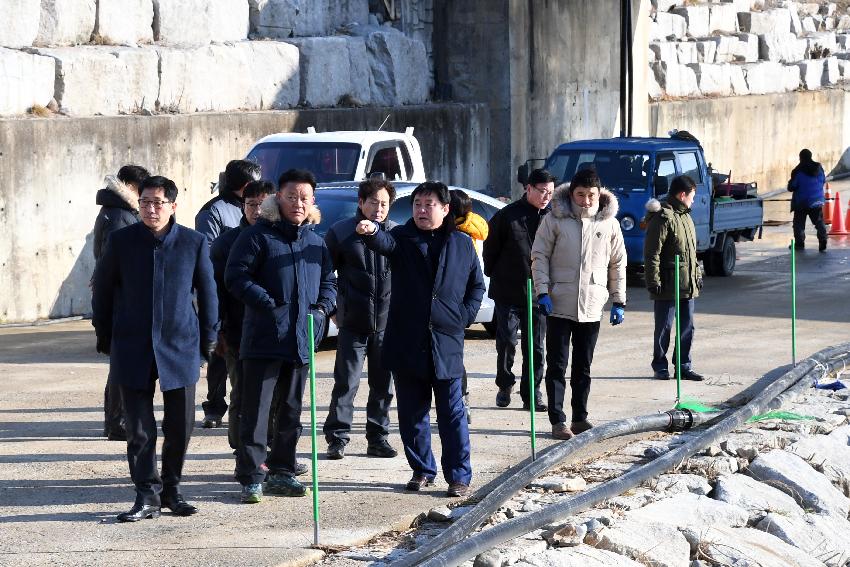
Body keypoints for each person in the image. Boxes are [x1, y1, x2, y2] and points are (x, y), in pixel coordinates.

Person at [91, 175, 218, 522]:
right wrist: (104, 333)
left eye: (158, 203)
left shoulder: (194, 242)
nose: (151, 209)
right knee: (139, 428)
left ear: (173, 206)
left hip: (180, 346)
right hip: (132, 345)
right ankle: (146, 494)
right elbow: (102, 291)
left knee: (180, 425)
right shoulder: (121, 242)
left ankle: (173, 491)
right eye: (145, 202)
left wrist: (209, 338)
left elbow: (208, 294)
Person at [356, 181, 485, 498]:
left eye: (429, 204)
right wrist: (371, 232)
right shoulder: (402, 238)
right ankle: (422, 470)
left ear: (445, 209)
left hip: (447, 343)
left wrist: (463, 317)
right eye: (417, 204)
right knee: (412, 415)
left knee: (453, 416)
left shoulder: (462, 244)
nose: (422, 210)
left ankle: (458, 477)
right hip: (407, 341)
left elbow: (476, 287)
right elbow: (383, 243)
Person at [225, 168, 336, 504]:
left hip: (301, 341)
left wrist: (320, 310)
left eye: (304, 197)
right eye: (291, 196)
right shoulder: (258, 236)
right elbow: (236, 276)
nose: (297, 203)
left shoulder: (316, 242)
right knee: (256, 412)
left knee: (291, 412)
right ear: (278, 198)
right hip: (263, 339)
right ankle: (251, 477)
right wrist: (268, 303)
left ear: (312, 201)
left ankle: (283, 471)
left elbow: (330, 282)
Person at [531, 168, 626, 440]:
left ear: (599, 194)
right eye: (580, 195)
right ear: (571, 194)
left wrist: (618, 300)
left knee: (583, 367)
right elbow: (539, 256)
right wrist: (542, 292)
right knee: (557, 366)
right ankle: (557, 420)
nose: (585, 200)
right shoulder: (554, 220)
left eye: (591, 195)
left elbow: (618, 263)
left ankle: (580, 417)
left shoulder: (609, 224)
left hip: (592, 305)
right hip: (558, 303)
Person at [323, 179, 398, 460]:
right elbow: (324, 273)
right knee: (346, 383)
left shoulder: (395, 234)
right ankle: (337, 438)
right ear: (360, 202)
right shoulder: (340, 233)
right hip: (352, 323)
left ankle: (378, 438)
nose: (378, 209)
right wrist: (332, 309)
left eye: (384, 204)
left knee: (383, 384)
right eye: (373, 202)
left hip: (387, 325)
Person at [210, 180, 275, 452]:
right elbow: (215, 290)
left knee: (273, 396)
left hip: (274, 330)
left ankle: (272, 447)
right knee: (241, 392)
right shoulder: (225, 243)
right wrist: (219, 329)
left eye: (263, 204)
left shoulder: (279, 238)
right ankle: (240, 448)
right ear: (242, 206)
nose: (257, 210)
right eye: (251, 204)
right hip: (237, 330)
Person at [196, 160, 261, 429]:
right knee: (220, 358)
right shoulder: (214, 211)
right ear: (243, 185)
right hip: (222, 292)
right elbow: (208, 253)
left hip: (248, 301)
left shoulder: (255, 208)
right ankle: (214, 407)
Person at [483, 168, 555, 411]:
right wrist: (498, 274)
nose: (546, 196)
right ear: (529, 188)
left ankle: (532, 391)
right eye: (542, 191)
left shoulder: (554, 217)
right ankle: (505, 384)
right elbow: (490, 250)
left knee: (535, 346)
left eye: (550, 192)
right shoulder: (507, 216)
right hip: (509, 291)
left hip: (539, 293)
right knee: (507, 341)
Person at [92, 164, 150, 441]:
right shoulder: (118, 215)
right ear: (128, 186)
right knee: (121, 363)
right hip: (121, 298)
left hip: (121, 296)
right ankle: (116, 422)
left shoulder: (117, 211)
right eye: (142, 190)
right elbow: (111, 264)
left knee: (122, 362)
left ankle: (118, 420)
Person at [644, 175, 704, 382]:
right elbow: (652, 253)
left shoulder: (686, 216)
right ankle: (660, 366)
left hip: (687, 283)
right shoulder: (663, 217)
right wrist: (654, 281)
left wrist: (697, 275)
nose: (693, 201)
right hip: (667, 283)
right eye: (692, 196)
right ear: (682, 194)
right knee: (664, 327)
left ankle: (683, 365)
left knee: (688, 326)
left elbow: (691, 252)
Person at [449, 189, 489, 423]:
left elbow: (468, 277)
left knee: (452, 359)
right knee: (454, 358)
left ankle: (461, 402)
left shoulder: (462, 237)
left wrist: (464, 312)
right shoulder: (475, 228)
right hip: (460, 306)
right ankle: (462, 402)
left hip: (456, 306)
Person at [788, 148, 828, 252]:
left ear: (800, 158)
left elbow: (791, 186)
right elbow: (823, 180)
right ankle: (823, 239)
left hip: (802, 202)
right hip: (817, 200)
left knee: (799, 223)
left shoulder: (797, 170)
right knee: (818, 221)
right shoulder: (819, 168)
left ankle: (799, 244)